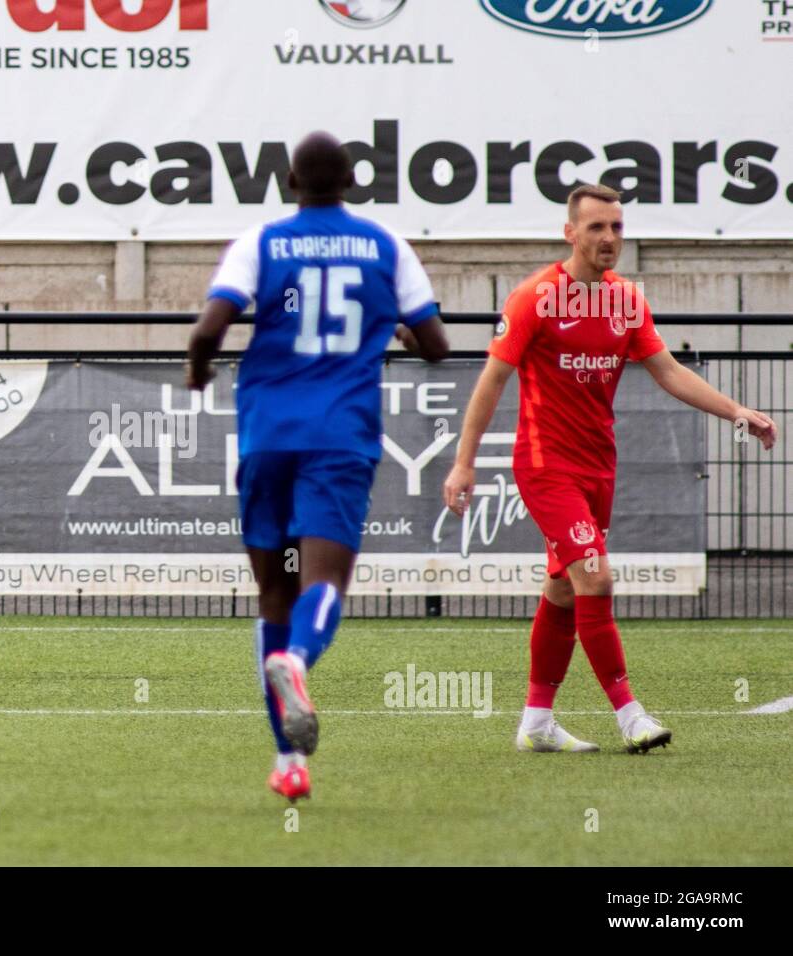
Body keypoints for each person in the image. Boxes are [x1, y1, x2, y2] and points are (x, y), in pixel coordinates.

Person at [443, 183, 777, 753]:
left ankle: (536, 723)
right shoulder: (534, 298)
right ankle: (630, 716)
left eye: (617, 227)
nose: (610, 238)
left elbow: (668, 371)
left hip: (599, 467)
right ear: (570, 233)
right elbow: (492, 380)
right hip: (546, 466)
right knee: (595, 577)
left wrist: (736, 411)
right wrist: (463, 463)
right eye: (597, 227)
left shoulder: (626, 300)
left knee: (565, 590)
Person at [187, 131, 449, 800]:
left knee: (275, 591)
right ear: (353, 180)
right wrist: (392, 325)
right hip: (340, 436)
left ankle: (288, 764)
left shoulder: (262, 241)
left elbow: (208, 330)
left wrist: (197, 373)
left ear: (289, 180)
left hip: (268, 434)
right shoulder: (387, 246)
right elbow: (438, 346)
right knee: (324, 580)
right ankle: (297, 660)